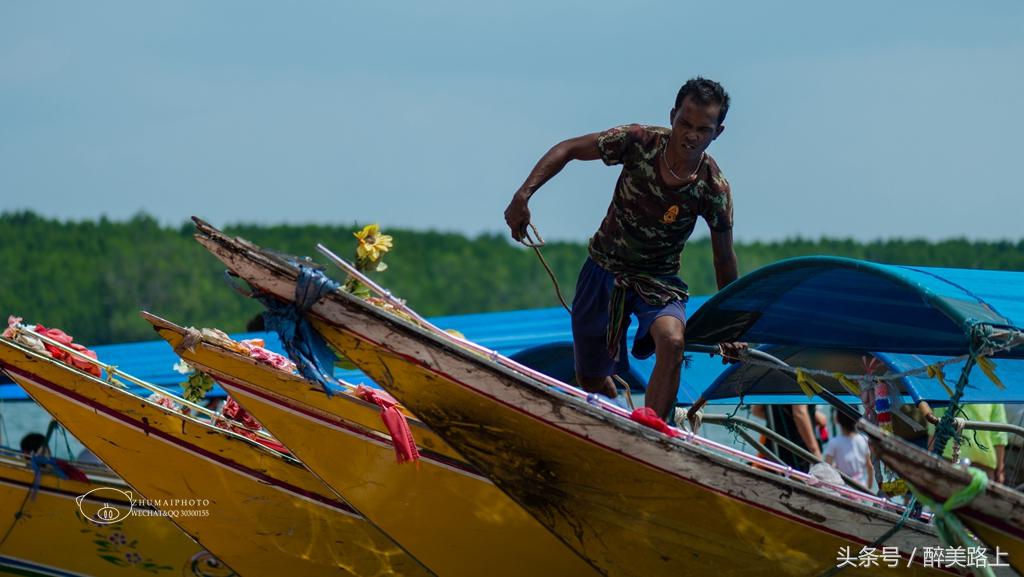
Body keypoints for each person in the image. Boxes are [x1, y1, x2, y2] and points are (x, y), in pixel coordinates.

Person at [504, 77, 740, 420]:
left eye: (703, 129)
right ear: (673, 115)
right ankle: (606, 386)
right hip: (604, 268)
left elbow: (724, 258)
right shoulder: (639, 141)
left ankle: (652, 429)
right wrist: (523, 195)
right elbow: (568, 149)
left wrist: (733, 328)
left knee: (673, 342)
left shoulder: (712, 187)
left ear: (717, 132)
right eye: (684, 123)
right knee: (590, 378)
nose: (691, 135)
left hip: (657, 281)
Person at [930, 403, 1008, 484]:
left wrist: (931, 457)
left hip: (949, 458)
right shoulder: (994, 393)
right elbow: (999, 435)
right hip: (982, 464)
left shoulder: (947, 391)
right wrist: (1000, 470)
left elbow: (935, 427)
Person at [752, 404, 822, 473]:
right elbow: (799, 413)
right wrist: (815, 451)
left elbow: (756, 411)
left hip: (771, 448)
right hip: (797, 450)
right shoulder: (805, 392)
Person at [824, 410, 873, 486]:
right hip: (861, 487)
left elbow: (827, 468)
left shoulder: (834, 442)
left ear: (837, 419)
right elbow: (870, 468)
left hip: (843, 487)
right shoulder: (863, 440)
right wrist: (868, 490)